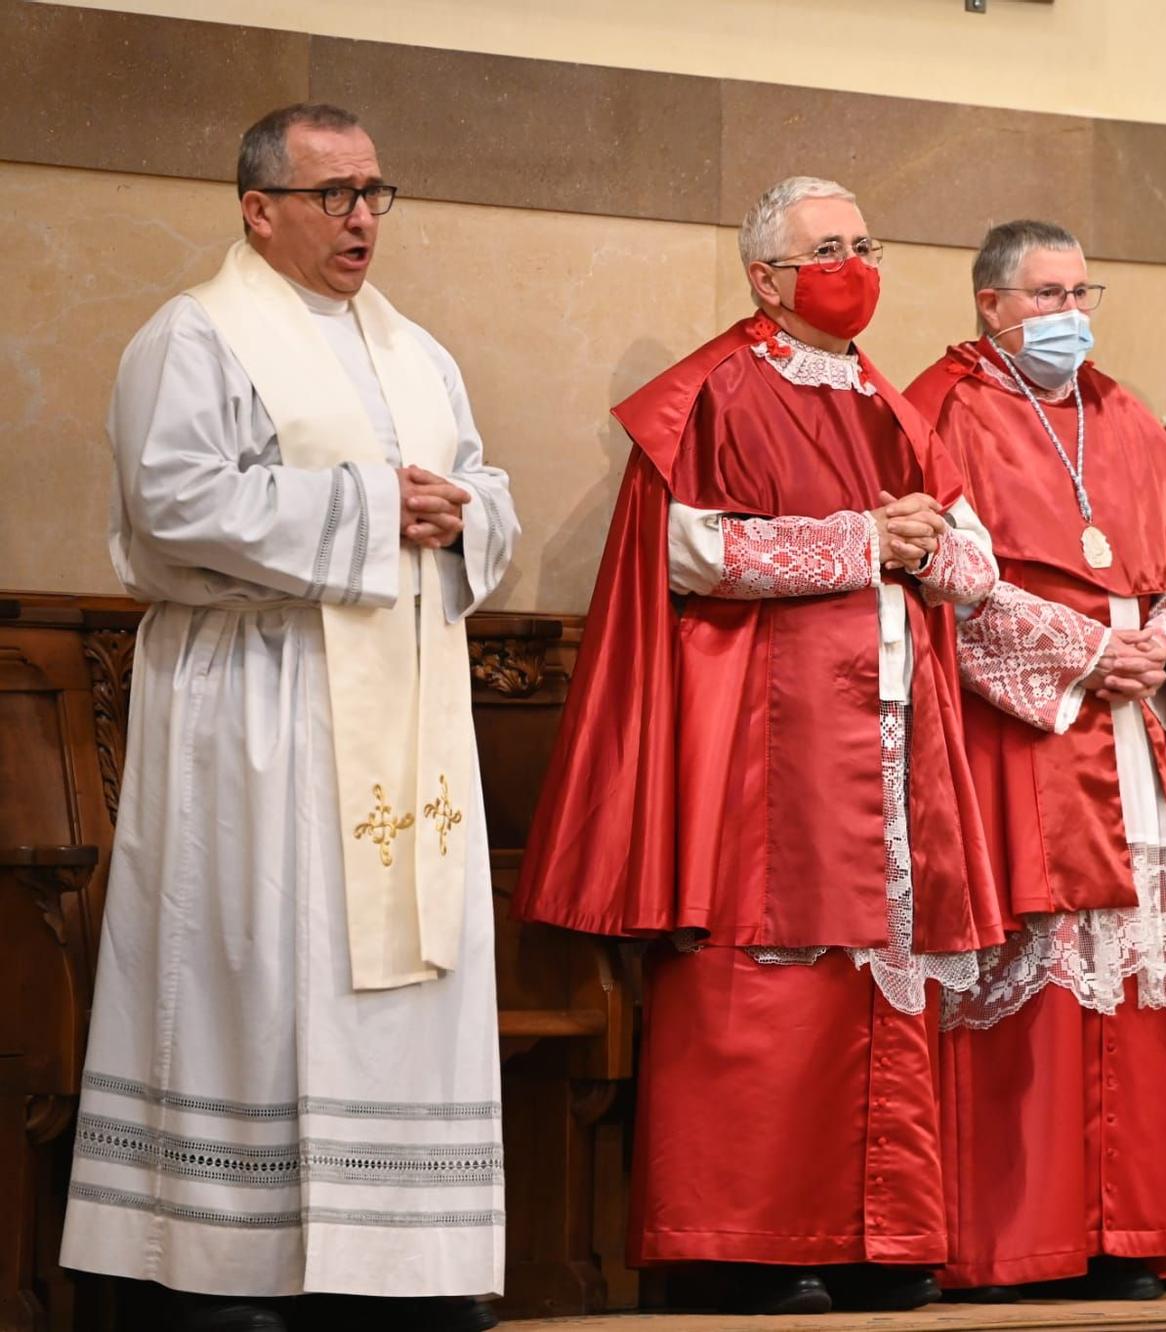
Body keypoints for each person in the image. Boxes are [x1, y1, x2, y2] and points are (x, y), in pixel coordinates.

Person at [513, 177, 1005, 1317]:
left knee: (877, 980)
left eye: (864, 245)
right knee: (766, 985)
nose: (853, 266)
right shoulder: (716, 390)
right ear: (765, 278)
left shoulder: (890, 399)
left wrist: (930, 551)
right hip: (764, 732)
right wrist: (860, 539)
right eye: (826, 249)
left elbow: (972, 564)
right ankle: (741, 1240)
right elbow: (694, 555)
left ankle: (878, 1237)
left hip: (892, 733)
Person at [62, 103, 516, 1332]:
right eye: (333, 194)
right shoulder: (195, 335)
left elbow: (481, 481)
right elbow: (172, 504)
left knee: (390, 978)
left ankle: (399, 1267)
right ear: (259, 209)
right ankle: (223, 1266)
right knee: (265, 960)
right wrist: (375, 512)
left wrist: (464, 512)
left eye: (375, 190)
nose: (362, 216)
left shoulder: (413, 349)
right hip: (256, 708)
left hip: (400, 710)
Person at [905, 220, 1166, 1302]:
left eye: (1080, 289)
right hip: (1028, 732)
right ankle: (1025, 1236)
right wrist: (1087, 649)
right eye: (1046, 294)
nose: (1069, 313)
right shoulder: (946, 408)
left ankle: (1130, 1227)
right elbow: (954, 574)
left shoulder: (1119, 409)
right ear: (989, 305)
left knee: (1132, 968)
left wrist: (1154, 648)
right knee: (1041, 969)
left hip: (1127, 722)